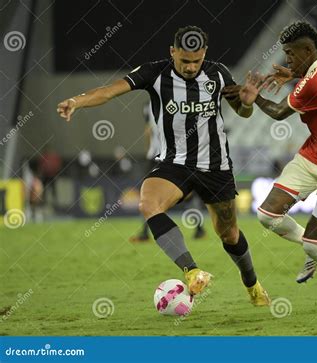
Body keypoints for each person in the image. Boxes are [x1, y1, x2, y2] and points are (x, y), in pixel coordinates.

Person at [57, 25, 270, 306]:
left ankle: (252, 285)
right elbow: (110, 91)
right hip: (174, 164)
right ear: (172, 53)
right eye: (185, 61)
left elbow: (242, 113)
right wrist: (77, 101)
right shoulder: (154, 73)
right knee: (148, 203)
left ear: (204, 53)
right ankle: (192, 271)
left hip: (215, 167)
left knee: (229, 235)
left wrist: (247, 104)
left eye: (196, 61)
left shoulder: (218, 74)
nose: (191, 67)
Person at [236, 21, 317, 307]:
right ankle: (315, 247)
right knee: (267, 215)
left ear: (307, 49)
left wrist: (254, 98)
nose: (287, 59)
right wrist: (295, 72)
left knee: (312, 243)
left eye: (291, 54)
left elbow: (279, 113)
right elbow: (310, 73)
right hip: (313, 154)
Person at [129, 102, 206, 243]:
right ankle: (199, 229)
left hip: (159, 157)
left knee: (149, 194)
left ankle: (145, 233)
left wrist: (149, 151)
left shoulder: (149, 106)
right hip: (176, 156)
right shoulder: (179, 100)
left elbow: (148, 131)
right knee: (188, 194)